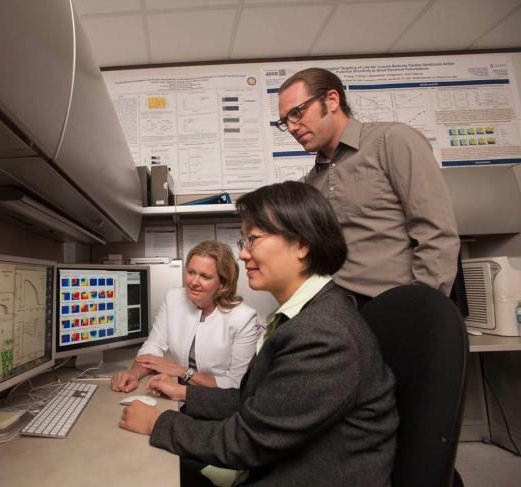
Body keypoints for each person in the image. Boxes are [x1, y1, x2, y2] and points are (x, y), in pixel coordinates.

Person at [118, 182, 398, 487]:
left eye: (252, 239)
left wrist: (159, 423)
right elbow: (255, 403)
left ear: (302, 245)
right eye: (243, 240)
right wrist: (186, 393)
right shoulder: (306, 316)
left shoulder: (323, 335)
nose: (242, 254)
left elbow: (249, 440)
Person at [276, 67, 459, 306]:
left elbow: (436, 231)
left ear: (332, 100)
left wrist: (422, 307)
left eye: (297, 113)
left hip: (396, 306)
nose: (291, 127)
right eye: (284, 121)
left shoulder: (391, 140)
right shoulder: (314, 180)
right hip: (342, 312)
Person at [111, 240, 260, 393]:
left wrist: (182, 372)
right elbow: (154, 346)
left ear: (222, 283)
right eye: (191, 272)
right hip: (179, 393)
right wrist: (133, 374)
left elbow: (236, 383)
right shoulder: (173, 298)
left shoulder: (244, 318)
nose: (194, 282)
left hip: (217, 403)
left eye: (205, 276)